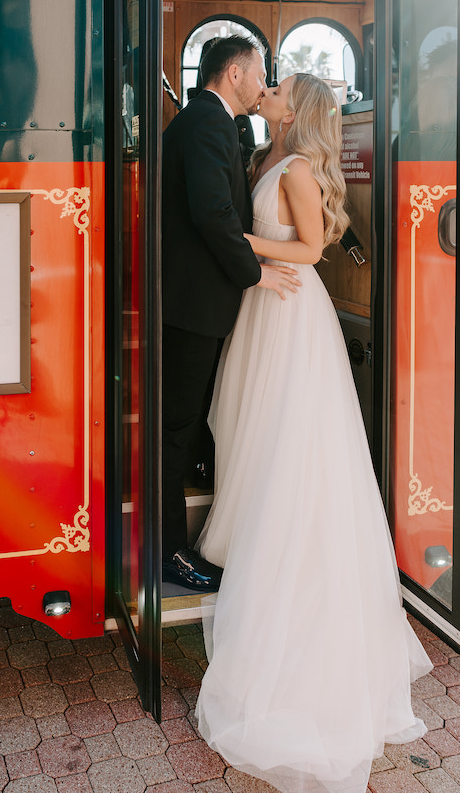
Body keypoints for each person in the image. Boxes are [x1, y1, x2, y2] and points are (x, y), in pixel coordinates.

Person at [195, 73, 433, 793]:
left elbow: (314, 248)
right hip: (261, 309)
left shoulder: (296, 169)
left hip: (292, 311)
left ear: (292, 110)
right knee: (246, 425)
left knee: (290, 442)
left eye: (277, 88)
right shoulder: (263, 156)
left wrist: (238, 242)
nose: (266, 90)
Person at [161, 36, 300, 592]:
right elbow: (213, 211)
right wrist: (256, 273)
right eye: (261, 71)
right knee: (174, 429)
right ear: (235, 71)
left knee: (188, 420)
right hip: (194, 303)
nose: (265, 83)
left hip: (197, 301)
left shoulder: (210, 122)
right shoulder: (207, 122)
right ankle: (170, 554)